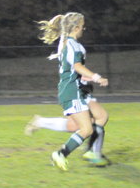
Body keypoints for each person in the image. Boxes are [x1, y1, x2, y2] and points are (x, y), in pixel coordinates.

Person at [36, 12, 110, 170]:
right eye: (82, 26)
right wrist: (96, 77)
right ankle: (61, 153)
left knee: (99, 117)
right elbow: (77, 66)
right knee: (85, 129)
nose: (84, 28)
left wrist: (87, 79)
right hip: (73, 91)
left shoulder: (67, 43)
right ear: (76, 28)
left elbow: (73, 69)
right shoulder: (73, 45)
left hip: (75, 90)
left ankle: (91, 152)